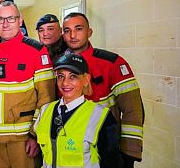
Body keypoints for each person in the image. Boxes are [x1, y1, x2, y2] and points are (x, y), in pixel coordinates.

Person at [0, 1, 55, 168]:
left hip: (23, 141)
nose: (5, 24)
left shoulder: (36, 51)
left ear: (20, 20)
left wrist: (36, 136)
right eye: (0, 19)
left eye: (11, 18)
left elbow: (46, 98)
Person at [62, 12, 144, 166]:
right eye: (67, 30)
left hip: (106, 143)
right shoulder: (58, 65)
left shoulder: (112, 63)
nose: (72, 35)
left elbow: (133, 109)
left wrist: (129, 152)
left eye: (78, 29)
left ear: (89, 32)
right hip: (70, 144)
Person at [33, 53, 122, 168]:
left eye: (73, 76)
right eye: (61, 76)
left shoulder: (100, 116)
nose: (65, 83)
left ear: (86, 80)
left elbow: (112, 162)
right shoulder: (45, 110)